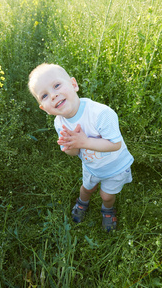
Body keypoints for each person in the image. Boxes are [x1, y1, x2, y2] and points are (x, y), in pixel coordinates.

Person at [28, 63, 133, 232]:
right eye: (44, 96)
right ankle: (82, 202)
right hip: (91, 166)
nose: (53, 95)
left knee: (106, 195)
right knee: (86, 188)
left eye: (56, 86)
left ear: (74, 84)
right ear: (44, 109)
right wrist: (70, 146)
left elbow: (116, 144)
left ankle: (107, 209)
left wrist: (83, 142)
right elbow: (74, 152)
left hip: (116, 167)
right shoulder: (59, 122)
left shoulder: (100, 114)